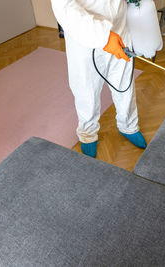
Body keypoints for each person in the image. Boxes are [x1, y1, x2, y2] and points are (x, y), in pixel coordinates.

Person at [51, 0, 146, 158]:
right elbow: (65, 7)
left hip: (120, 29)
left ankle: (128, 126)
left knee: (125, 86)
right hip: (85, 39)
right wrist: (103, 36)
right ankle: (88, 134)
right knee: (86, 91)